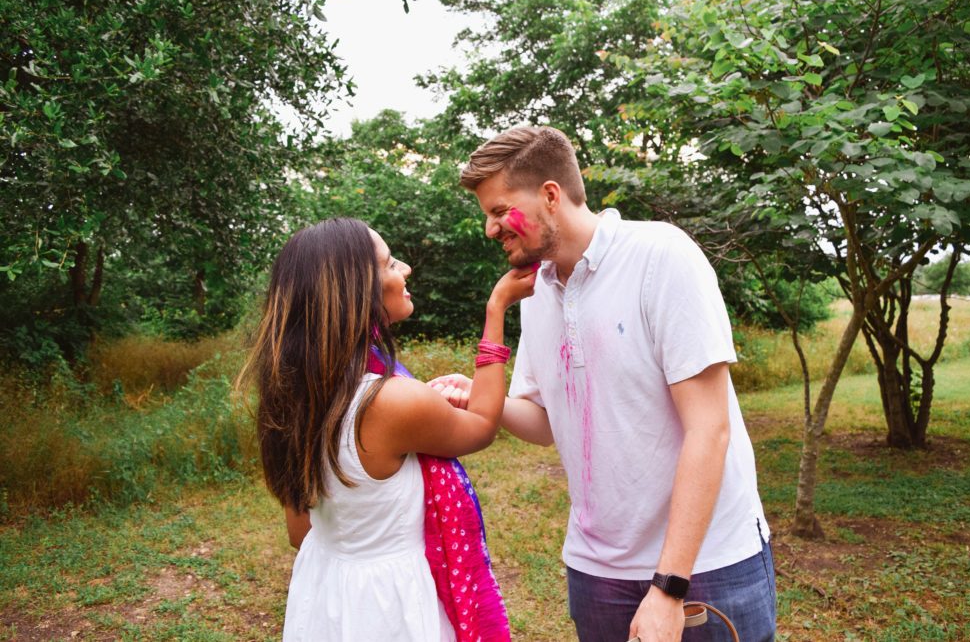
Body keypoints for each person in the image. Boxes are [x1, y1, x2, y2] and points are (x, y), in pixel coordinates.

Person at [434, 126, 776, 642]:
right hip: (597, 572)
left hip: (707, 563)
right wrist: (489, 401)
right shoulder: (540, 291)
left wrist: (668, 586)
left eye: (500, 210)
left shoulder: (660, 256)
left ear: (550, 195)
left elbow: (710, 431)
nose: (490, 228)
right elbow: (545, 422)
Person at [237, 217, 536, 641]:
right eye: (391, 263)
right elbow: (483, 425)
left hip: (325, 590)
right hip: (389, 602)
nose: (406, 269)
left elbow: (298, 531)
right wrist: (497, 309)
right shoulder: (391, 400)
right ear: (356, 291)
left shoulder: (294, 393)